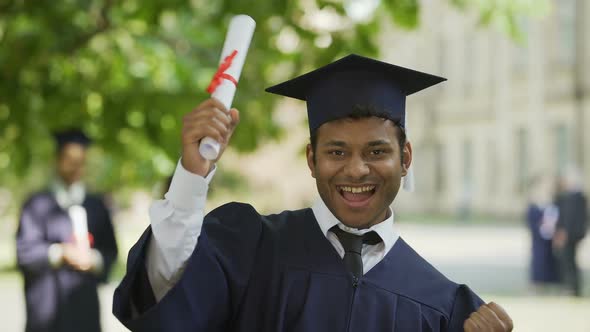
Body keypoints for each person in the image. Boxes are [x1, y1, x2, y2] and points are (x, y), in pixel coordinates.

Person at [113, 54, 513, 331]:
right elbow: (167, 296)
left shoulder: (445, 308)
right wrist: (192, 175)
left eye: (377, 151)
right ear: (311, 159)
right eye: (336, 151)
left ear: (405, 158)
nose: (356, 169)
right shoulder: (248, 248)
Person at [16, 129, 119, 332]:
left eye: (80, 161)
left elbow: (111, 252)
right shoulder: (36, 205)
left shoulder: (96, 205)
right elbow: (25, 252)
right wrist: (61, 253)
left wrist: (93, 259)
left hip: (85, 308)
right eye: (69, 159)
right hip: (46, 309)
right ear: (57, 160)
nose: (75, 167)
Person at [553, 166, 587, 297]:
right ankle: (571, 287)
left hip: (570, 235)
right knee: (569, 260)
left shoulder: (575, 197)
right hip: (572, 234)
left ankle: (572, 287)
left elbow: (570, 218)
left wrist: (564, 233)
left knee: (569, 261)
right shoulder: (572, 196)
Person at [525, 175, 560, 293]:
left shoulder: (551, 200)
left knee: (549, 259)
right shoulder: (533, 203)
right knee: (538, 259)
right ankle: (537, 283)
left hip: (549, 237)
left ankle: (549, 281)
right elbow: (531, 220)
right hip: (538, 237)